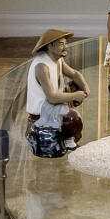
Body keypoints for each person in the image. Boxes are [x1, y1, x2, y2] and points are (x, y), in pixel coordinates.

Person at [25, 29, 88, 158]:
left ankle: (67, 138)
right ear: (50, 46)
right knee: (74, 119)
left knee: (75, 87)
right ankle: (67, 140)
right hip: (42, 111)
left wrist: (85, 88)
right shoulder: (42, 67)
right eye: (61, 44)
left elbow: (74, 74)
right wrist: (75, 96)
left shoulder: (58, 59)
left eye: (66, 43)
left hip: (53, 105)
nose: (65, 47)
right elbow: (52, 97)